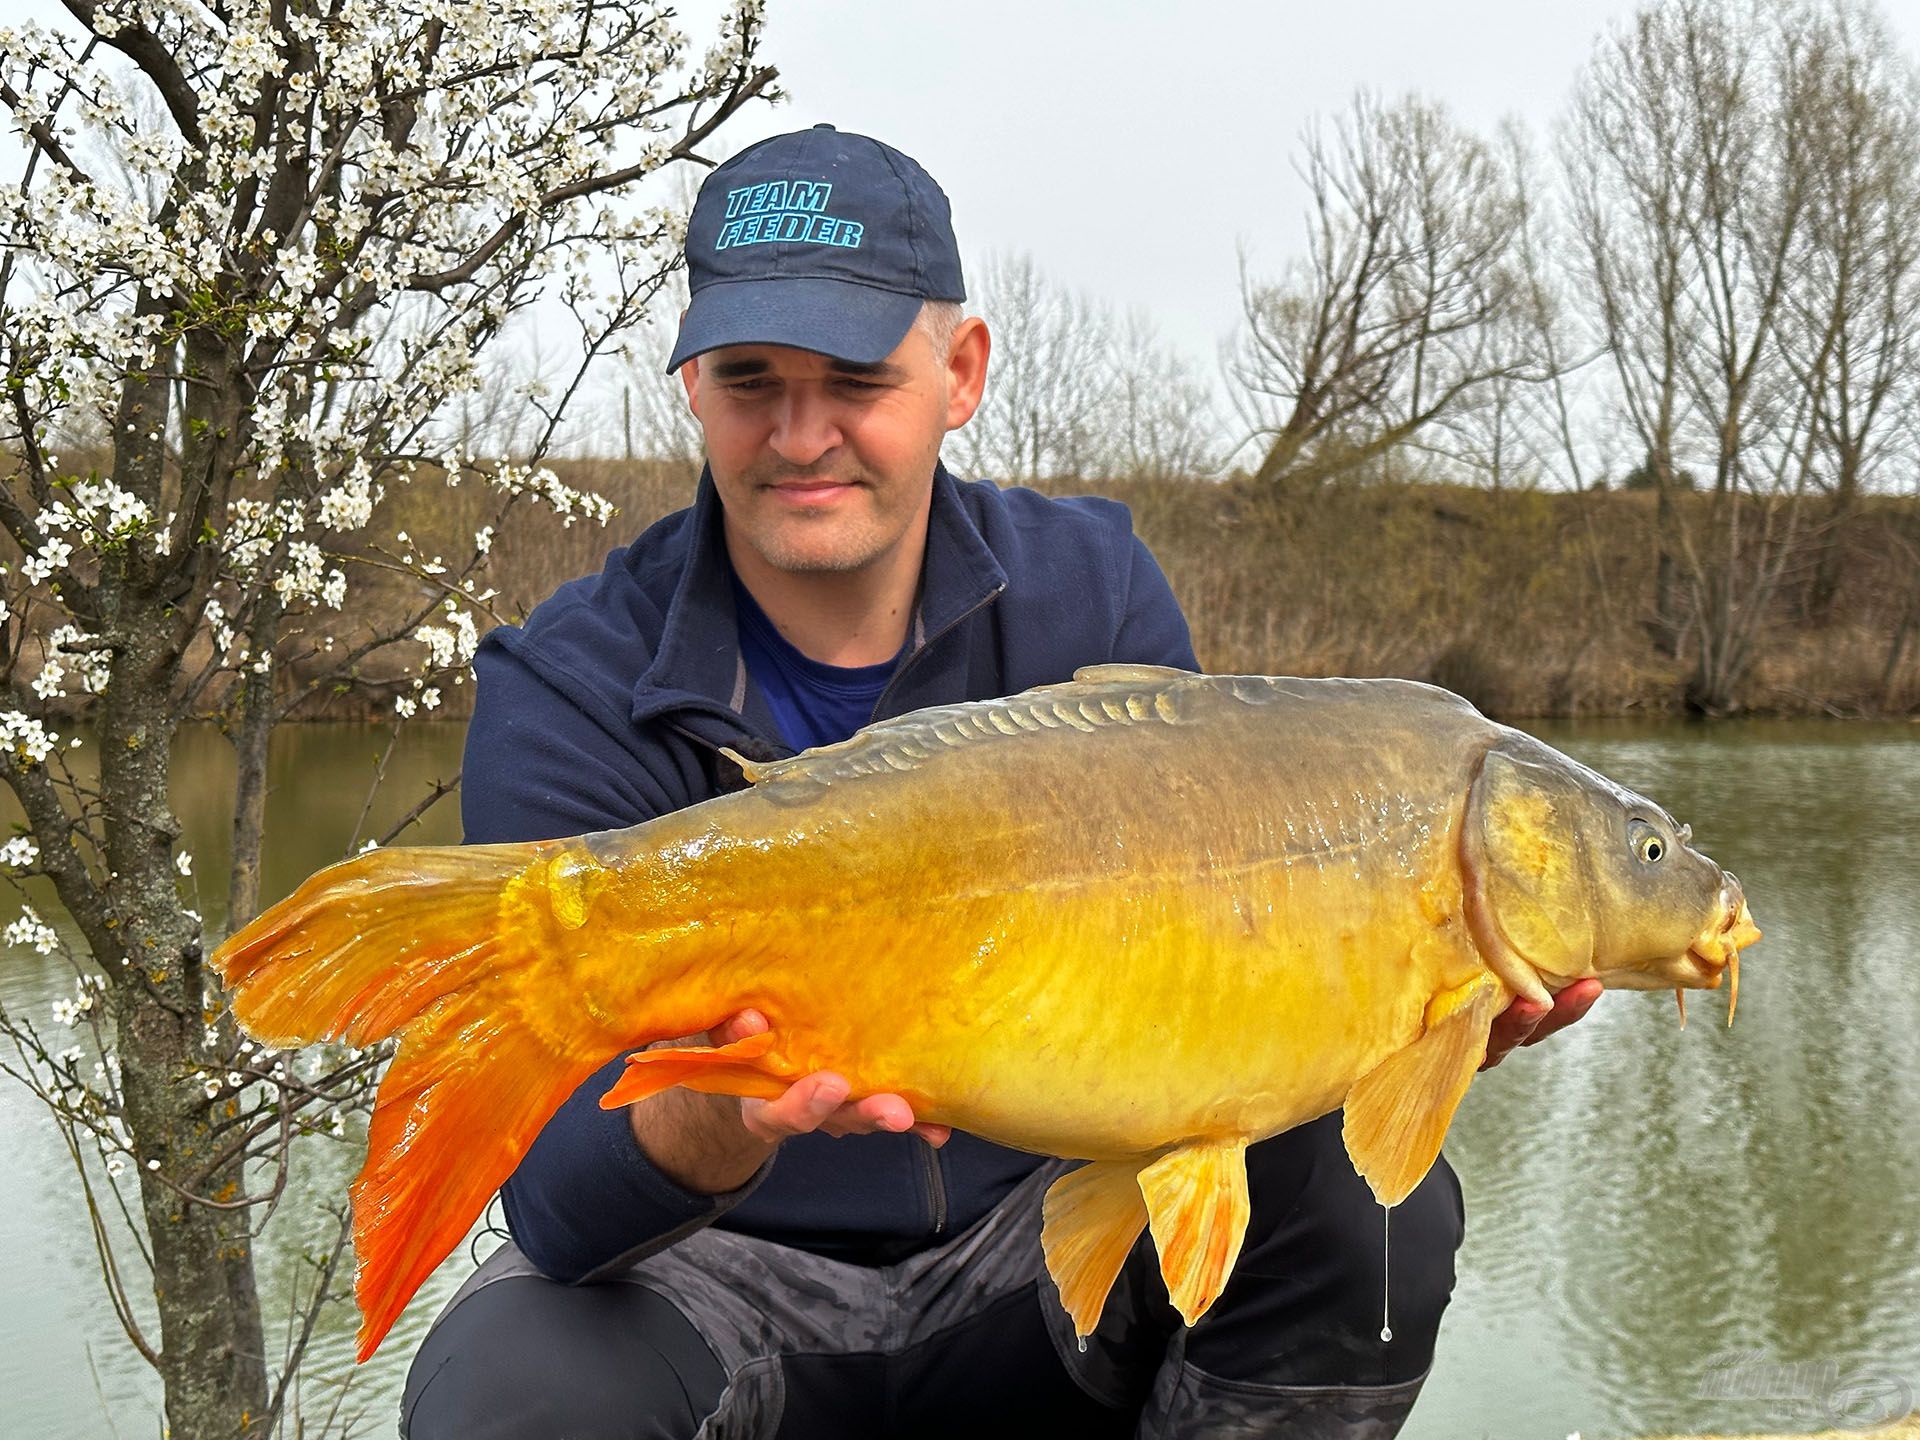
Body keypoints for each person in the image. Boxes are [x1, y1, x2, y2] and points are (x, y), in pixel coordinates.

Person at [400, 125, 1599, 1439]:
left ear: (960, 371)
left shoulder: (1090, 595)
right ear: (692, 383)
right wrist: (724, 1107)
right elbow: (562, 1218)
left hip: (1030, 1262)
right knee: (512, 1379)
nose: (803, 436)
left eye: (854, 377)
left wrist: (1392, 1025)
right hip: (719, 1291)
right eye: (752, 380)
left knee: (1370, 1210)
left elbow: (1211, 1030)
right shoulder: (572, 684)